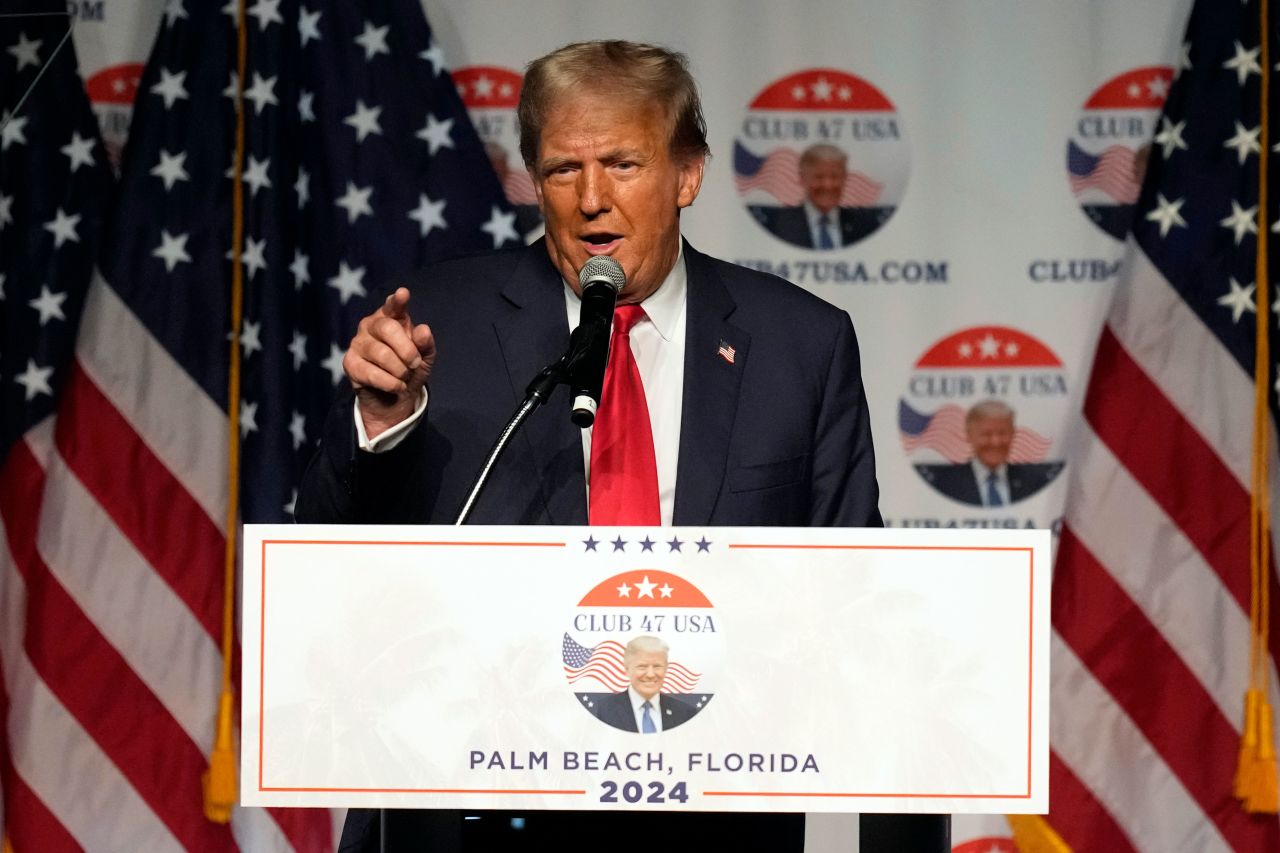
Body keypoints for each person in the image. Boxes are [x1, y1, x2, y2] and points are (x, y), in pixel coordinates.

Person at [299, 39, 881, 853]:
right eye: (564, 170)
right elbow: (334, 547)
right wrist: (382, 421)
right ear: (536, 182)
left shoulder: (801, 345)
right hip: (478, 814)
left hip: (710, 816)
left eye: (623, 164)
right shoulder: (441, 323)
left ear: (688, 175)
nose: (592, 200)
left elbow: (860, 601)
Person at [915, 400, 1063, 507]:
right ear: (969, 435)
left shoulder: (1035, 483)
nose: (996, 442)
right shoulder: (945, 485)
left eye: (1003, 433)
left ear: (1013, 434)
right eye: (986, 434)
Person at [766, 144, 880, 249]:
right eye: (819, 177)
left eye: (835, 177)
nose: (828, 185)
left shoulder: (865, 225)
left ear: (845, 178)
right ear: (802, 178)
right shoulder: (778, 225)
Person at [591, 636, 699, 733]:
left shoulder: (685, 713)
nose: (651, 674)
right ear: (627, 669)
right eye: (642, 666)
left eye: (657, 666)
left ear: (666, 668)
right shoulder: (603, 711)